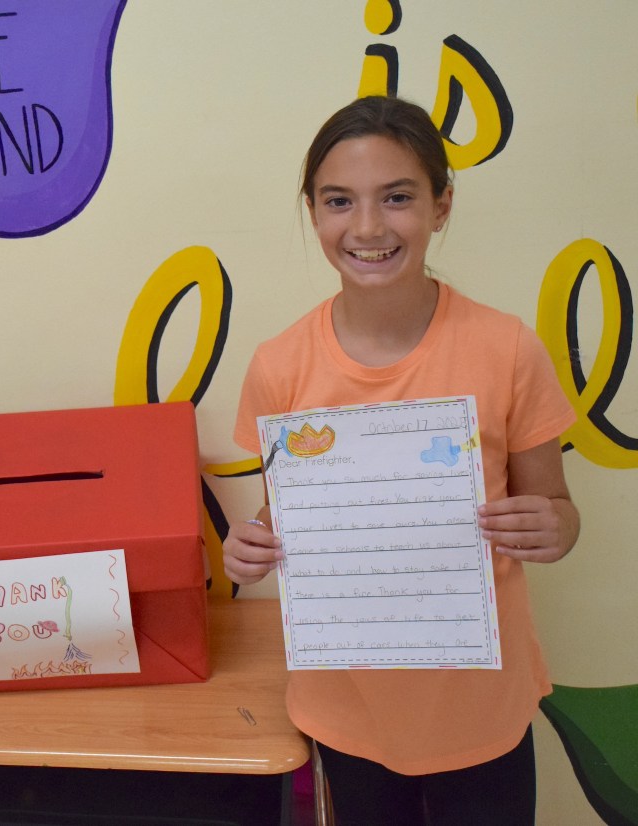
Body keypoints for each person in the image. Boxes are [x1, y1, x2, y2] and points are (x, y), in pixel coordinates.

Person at [222, 95, 579, 825]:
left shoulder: (507, 348)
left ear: (441, 206)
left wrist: (553, 528)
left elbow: (559, 512)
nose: (367, 227)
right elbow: (281, 518)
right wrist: (250, 545)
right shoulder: (279, 365)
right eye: (338, 201)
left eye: (397, 197)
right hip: (347, 703)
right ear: (313, 213)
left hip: (481, 702)